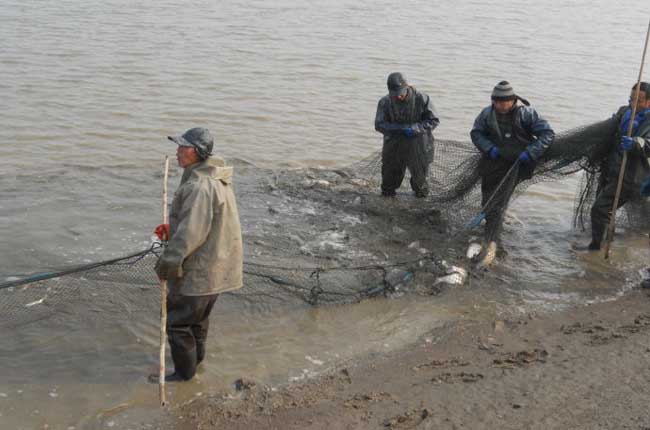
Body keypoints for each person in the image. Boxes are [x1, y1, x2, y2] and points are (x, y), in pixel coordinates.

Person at [152, 127, 243, 382]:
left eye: (184, 147)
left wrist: (166, 265)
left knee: (178, 324)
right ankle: (196, 365)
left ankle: (183, 376)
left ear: (200, 152)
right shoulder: (216, 178)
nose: (178, 152)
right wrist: (173, 228)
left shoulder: (200, 186)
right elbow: (204, 224)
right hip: (218, 268)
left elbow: (191, 235)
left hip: (201, 270)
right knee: (198, 322)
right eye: (178, 146)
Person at [470, 81, 555, 265]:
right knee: (488, 197)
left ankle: (492, 237)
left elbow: (547, 134)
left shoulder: (527, 114)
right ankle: (492, 227)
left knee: (500, 199)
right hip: (494, 159)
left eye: (504, 102)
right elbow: (476, 134)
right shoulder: (486, 114)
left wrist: (531, 152)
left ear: (513, 100)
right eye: (497, 102)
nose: (500, 105)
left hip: (519, 162)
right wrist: (489, 148)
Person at [582, 82, 650, 251]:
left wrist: (636, 143)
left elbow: (648, 143)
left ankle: (596, 248)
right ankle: (607, 241)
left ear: (649, 102)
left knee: (600, 209)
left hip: (632, 176)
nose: (633, 103)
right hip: (612, 168)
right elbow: (609, 128)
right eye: (631, 98)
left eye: (638, 100)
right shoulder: (624, 111)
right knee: (605, 209)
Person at [375, 72, 440, 198]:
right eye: (394, 94)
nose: (398, 97)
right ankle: (387, 201)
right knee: (388, 184)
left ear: (407, 87)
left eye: (400, 93)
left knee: (421, 185)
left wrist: (416, 128)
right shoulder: (385, 102)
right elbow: (379, 124)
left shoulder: (422, 98)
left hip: (419, 145)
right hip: (394, 145)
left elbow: (433, 120)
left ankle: (420, 205)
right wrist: (401, 128)